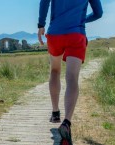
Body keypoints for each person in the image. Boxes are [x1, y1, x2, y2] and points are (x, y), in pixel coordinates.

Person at [38, 0, 103, 144]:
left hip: (55, 33)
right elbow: (99, 13)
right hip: (76, 33)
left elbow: (44, 1)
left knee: (55, 71)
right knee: (72, 77)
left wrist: (41, 24)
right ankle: (66, 123)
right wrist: (81, 18)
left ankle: (55, 113)